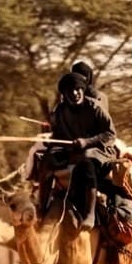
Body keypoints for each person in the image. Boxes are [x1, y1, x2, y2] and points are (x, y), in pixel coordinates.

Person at [46, 72, 118, 230]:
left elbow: (110, 134)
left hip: (100, 152)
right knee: (46, 159)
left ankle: (90, 214)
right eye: (70, 90)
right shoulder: (60, 112)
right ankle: (42, 207)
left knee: (86, 158)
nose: (74, 93)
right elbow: (58, 136)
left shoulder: (94, 107)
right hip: (73, 152)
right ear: (64, 94)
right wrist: (51, 141)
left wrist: (87, 142)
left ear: (82, 89)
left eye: (77, 89)